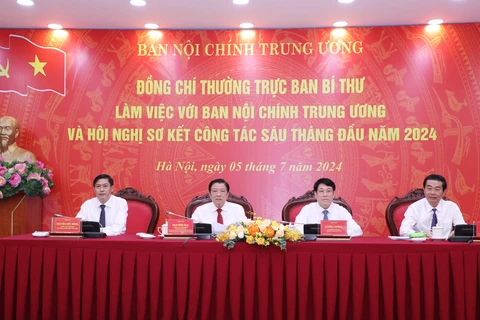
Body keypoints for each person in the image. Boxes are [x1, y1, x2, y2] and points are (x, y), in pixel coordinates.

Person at [399, 174, 465, 238]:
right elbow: (404, 230)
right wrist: (422, 235)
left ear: (444, 192)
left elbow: (463, 228)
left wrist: (457, 232)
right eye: (429, 188)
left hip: (445, 246)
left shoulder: (452, 207)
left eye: (437, 189)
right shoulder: (415, 207)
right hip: (421, 246)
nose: (432, 192)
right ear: (424, 190)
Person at [294, 178, 363, 237]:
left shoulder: (341, 210)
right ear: (315, 194)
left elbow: (357, 230)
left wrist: (338, 232)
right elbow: (296, 229)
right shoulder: (307, 209)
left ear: (333, 194)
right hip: (314, 247)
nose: (325, 195)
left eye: (328, 191)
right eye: (321, 191)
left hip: (336, 248)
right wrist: (318, 232)